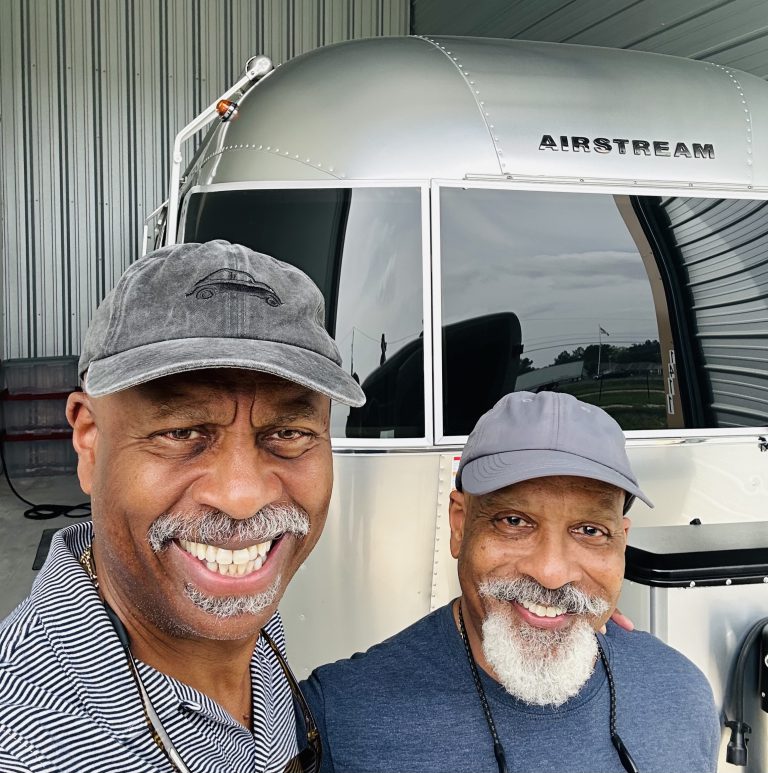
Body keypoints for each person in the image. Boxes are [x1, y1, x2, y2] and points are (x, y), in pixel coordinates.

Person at [0, 240, 364, 772]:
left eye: (288, 433)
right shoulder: (26, 745)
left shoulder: (230, 606)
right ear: (89, 441)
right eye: (181, 431)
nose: (242, 498)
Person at [301, 391, 721, 773]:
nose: (552, 572)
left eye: (590, 531)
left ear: (621, 542)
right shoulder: (341, 716)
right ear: (460, 525)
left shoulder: (681, 693)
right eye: (514, 521)